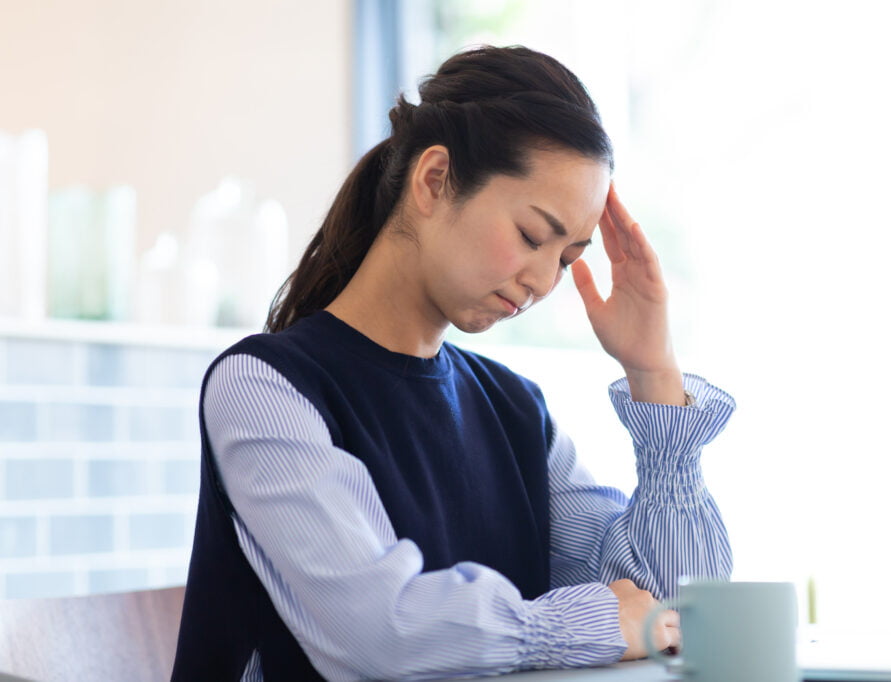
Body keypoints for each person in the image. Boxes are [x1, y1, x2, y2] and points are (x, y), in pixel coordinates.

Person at [171, 45, 735, 681]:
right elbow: (385, 633)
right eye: (532, 236)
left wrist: (653, 372)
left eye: (569, 258)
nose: (545, 281)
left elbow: (671, 606)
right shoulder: (264, 388)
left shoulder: (516, 409)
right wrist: (597, 621)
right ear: (434, 179)